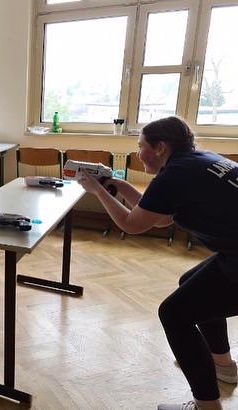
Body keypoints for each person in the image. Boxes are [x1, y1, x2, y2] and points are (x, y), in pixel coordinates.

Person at [77, 116, 238, 410]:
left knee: (174, 314)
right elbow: (161, 219)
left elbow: (131, 224)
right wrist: (120, 186)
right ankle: (223, 366)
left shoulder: (174, 175)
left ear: (160, 147)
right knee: (190, 285)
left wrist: (98, 191)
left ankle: (207, 406)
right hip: (233, 253)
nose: (138, 153)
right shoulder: (198, 161)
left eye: (141, 146)